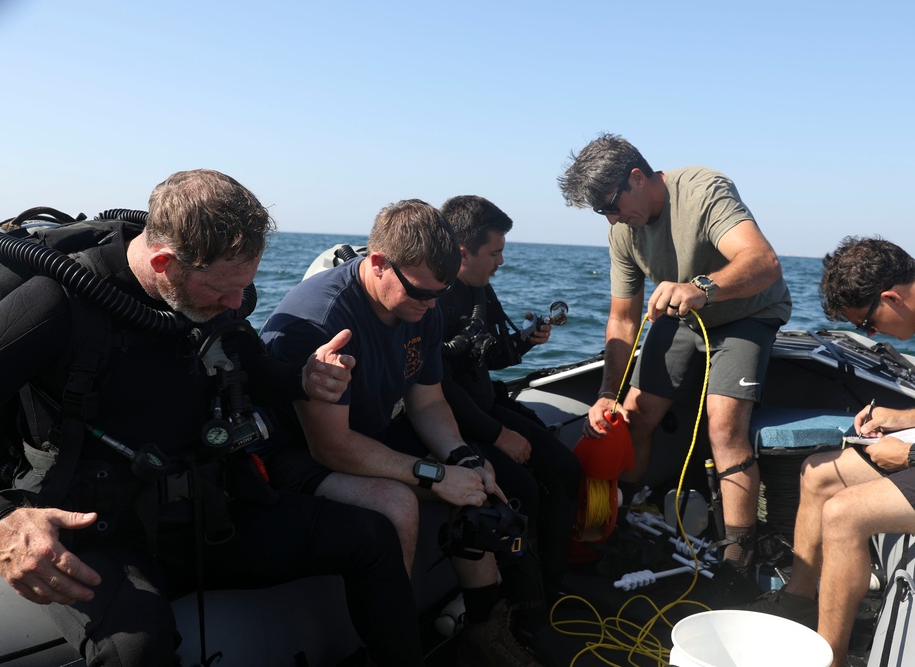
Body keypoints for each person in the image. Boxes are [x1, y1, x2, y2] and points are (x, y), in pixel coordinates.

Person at [0, 170, 422, 666]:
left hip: (211, 513)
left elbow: (260, 375)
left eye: (245, 287)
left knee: (370, 538)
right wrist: (3, 519)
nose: (238, 305)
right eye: (222, 291)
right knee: (137, 650)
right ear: (163, 263)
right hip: (102, 531)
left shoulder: (213, 299)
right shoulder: (60, 302)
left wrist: (305, 380)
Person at [258, 198, 542, 667]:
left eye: (439, 294)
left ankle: (485, 627)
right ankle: (396, 650)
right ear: (377, 263)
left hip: (369, 434)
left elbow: (427, 401)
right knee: (398, 505)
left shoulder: (420, 307)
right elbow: (331, 446)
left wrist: (461, 458)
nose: (431, 306)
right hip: (295, 453)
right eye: (421, 293)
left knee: (477, 480)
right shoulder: (320, 321)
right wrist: (434, 475)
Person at [748, 236, 915, 666]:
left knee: (845, 514)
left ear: (890, 297)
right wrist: (909, 416)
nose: (871, 334)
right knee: (817, 473)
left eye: (866, 324)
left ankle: (830, 660)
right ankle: (800, 601)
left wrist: (912, 457)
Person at [557, 132, 792, 579]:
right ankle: (628, 515)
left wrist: (703, 288)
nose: (611, 219)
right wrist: (608, 392)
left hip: (747, 313)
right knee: (634, 413)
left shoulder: (705, 190)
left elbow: (764, 262)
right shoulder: (623, 231)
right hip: (680, 315)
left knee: (723, 426)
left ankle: (736, 562)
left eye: (611, 205)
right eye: (601, 212)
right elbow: (623, 319)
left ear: (637, 177)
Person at [438, 194, 581, 618]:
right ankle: (526, 609)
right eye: (495, 252)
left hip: (489, 407)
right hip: (460, 422)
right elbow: (437, 391)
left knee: (566, 469)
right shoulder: (434, 297)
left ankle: (556, 585)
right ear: (462, 252)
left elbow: (491, 356)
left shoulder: (480, 289)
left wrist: (524, 341)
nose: (501, 261)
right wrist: (499, 436)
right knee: (523, 493)